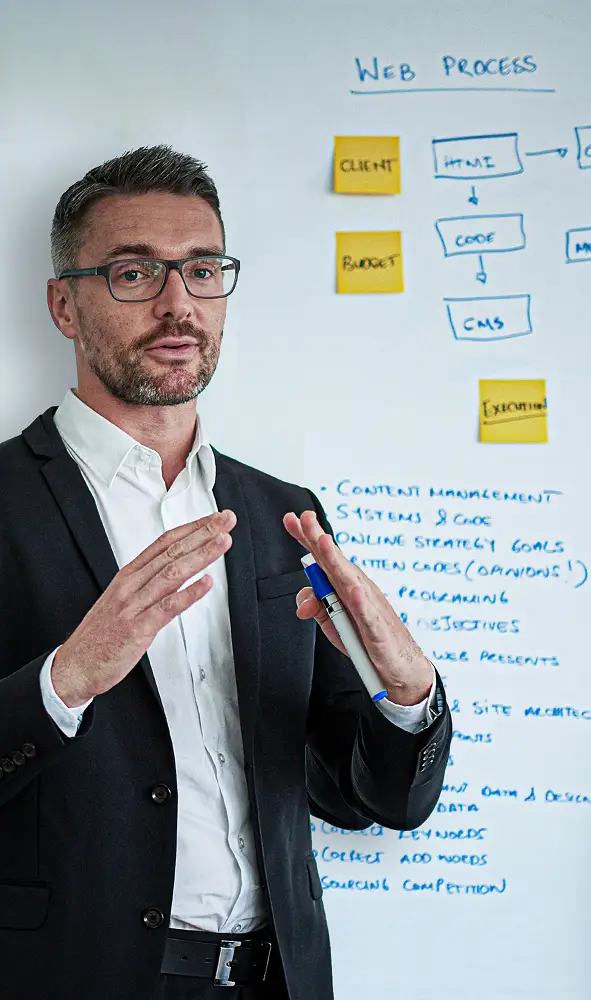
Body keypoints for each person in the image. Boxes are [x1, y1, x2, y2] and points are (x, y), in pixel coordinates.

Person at [0, 145, 450, 1000]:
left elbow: (369, 800)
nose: (178, 305)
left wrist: (406, 699)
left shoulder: (285, 515)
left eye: (202, 271)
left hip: (275, 980)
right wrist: (66, 680)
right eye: (135, 272)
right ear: (64, 304)